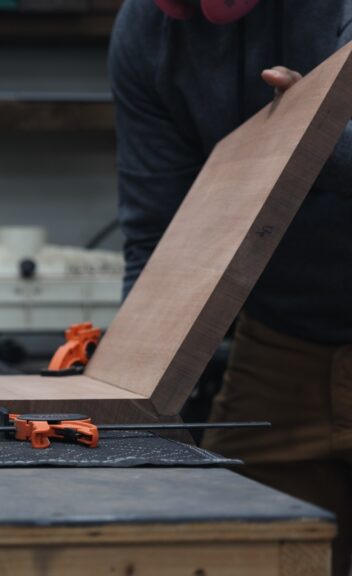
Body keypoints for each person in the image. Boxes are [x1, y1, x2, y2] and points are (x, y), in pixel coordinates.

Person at [109, 1, 352, 574]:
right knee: (234, 551)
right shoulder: (148, 28)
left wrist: (316, 140)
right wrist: (132, 409)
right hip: (278, 353)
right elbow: (155, 237)